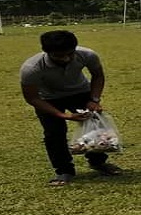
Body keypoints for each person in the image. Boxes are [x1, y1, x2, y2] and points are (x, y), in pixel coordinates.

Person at [20, 30, 121, 186]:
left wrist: (94, 100)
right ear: (46, 52)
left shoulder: (87, 55)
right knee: (54, 134)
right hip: (49, 98)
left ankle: (99, 163)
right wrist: (62, 115)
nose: (66, 59)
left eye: (70, 54)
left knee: (94, 127)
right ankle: (64, 171)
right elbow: (32, 98)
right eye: (59, 56)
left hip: (79, 91)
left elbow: (98, 75)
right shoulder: (31, 68)